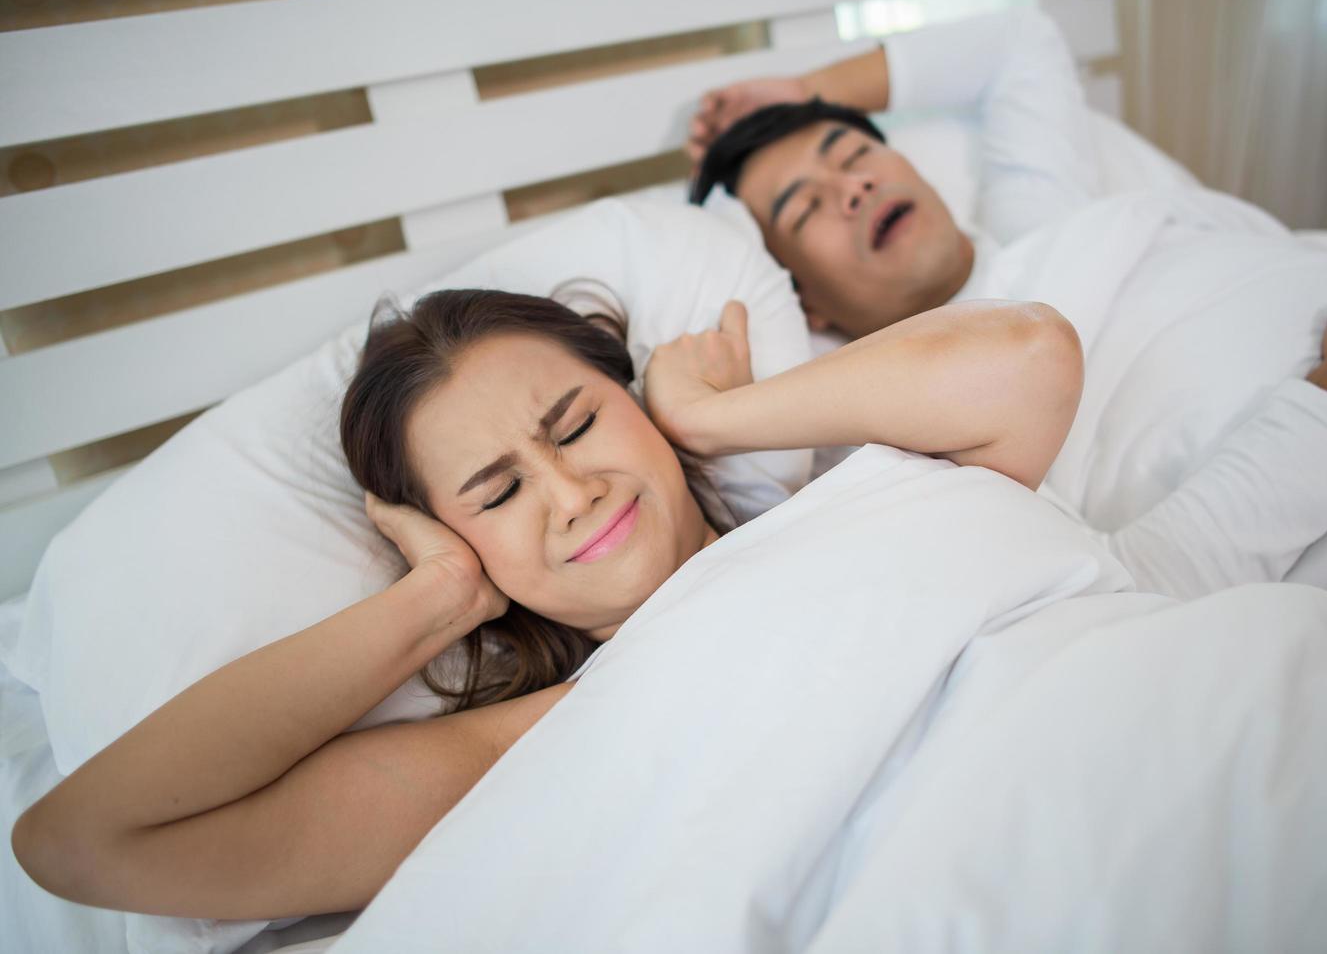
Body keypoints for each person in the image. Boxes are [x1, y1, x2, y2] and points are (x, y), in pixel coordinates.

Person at [12, 287, 1084, 921]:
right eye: (497, 490)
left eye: (575, 423)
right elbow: (86, 838)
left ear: (633, 399)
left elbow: (1027, 359)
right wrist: (435, 603)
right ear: (460, 539)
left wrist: (708, 413)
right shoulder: (513, 750)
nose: (571, 492)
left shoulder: (857, 496)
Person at [684, 7, 1327, 641]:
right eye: (807, 206)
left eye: (849, 151)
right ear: (808, 306)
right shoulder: (911, 435)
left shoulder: (1042, 219)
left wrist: (795, 89)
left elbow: (1017, 40)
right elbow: (1130, 600)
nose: (848, 187)